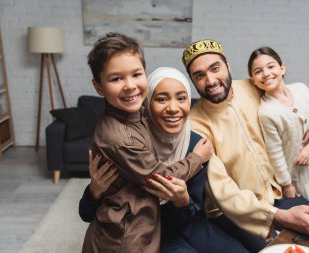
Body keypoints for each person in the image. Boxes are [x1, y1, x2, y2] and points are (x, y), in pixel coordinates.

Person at [80, 67, 248, 253]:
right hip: (147, 234)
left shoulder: (195, 145)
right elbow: (87, 214)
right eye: (161, 99)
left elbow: (195, 213)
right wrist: (94, 192)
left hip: (190, 224)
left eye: (181, 98)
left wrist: (182, 201)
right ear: (147, 103)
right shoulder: (131, 146)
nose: (173, 108)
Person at [181, 39, 309, 251]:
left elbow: (291, 102)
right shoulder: (195, 125)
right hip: (236, 211)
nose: (211, 80)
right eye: (199, 75)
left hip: (278, 192)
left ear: (228, 65)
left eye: (215, 68)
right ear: (193, 81)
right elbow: (221, 189)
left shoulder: (251, 87)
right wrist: (279, 217)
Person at [81, 33, 213, 253]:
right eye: (116, 78)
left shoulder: (140, 115)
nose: (130, 86)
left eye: (136, 74)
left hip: (145, 227)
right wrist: (197, 158)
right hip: (125, 237)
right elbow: (158, 179)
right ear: (99, 87)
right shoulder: (119, 137)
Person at [248, 46, 309, 201]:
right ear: (253, 80)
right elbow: (275, 153)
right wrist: (287, 185)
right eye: (258, 71)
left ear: (282, 68)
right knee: (306, 210)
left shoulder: (301, 89)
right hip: (294, 175)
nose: (266, 74)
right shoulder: (267, 111)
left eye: (270, 66)